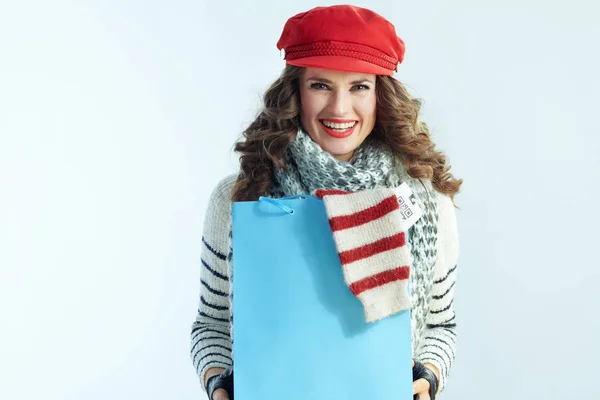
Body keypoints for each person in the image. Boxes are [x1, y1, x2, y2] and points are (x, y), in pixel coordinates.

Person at [190, 5, 462, 400]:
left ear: (380, 94)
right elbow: (212, 323)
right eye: (320, 85)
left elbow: (441, 325)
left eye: (358, 86)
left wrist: (429, 377)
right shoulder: (239, 197)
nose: (339, 108)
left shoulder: (427, 203)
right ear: (295, 92)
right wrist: (219, 383)